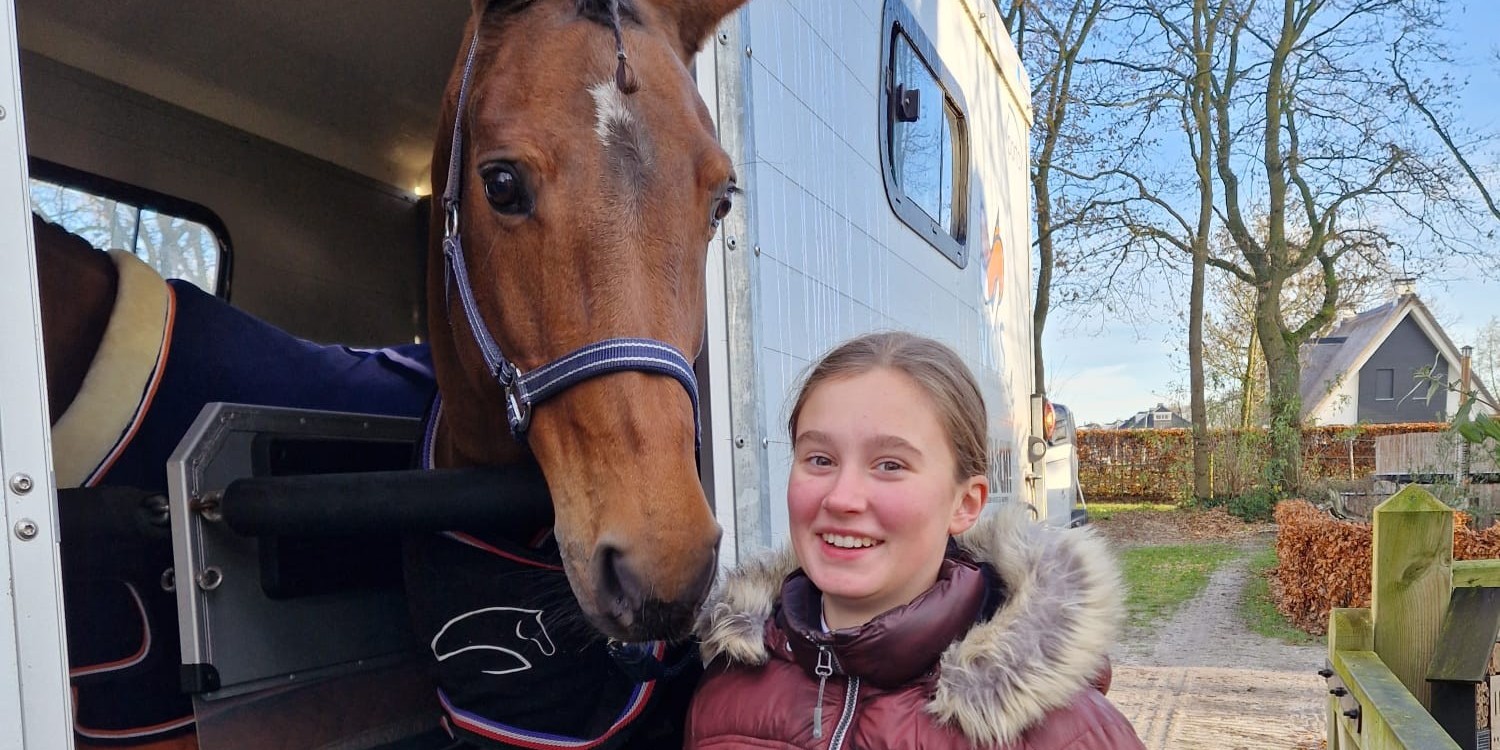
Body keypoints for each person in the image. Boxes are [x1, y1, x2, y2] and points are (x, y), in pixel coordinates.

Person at [685, 332, 1144, 749]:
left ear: (965, 504)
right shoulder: (723, 690)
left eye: (890, 465)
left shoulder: (1071, 734)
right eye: (820, 459)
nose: (842, 497)